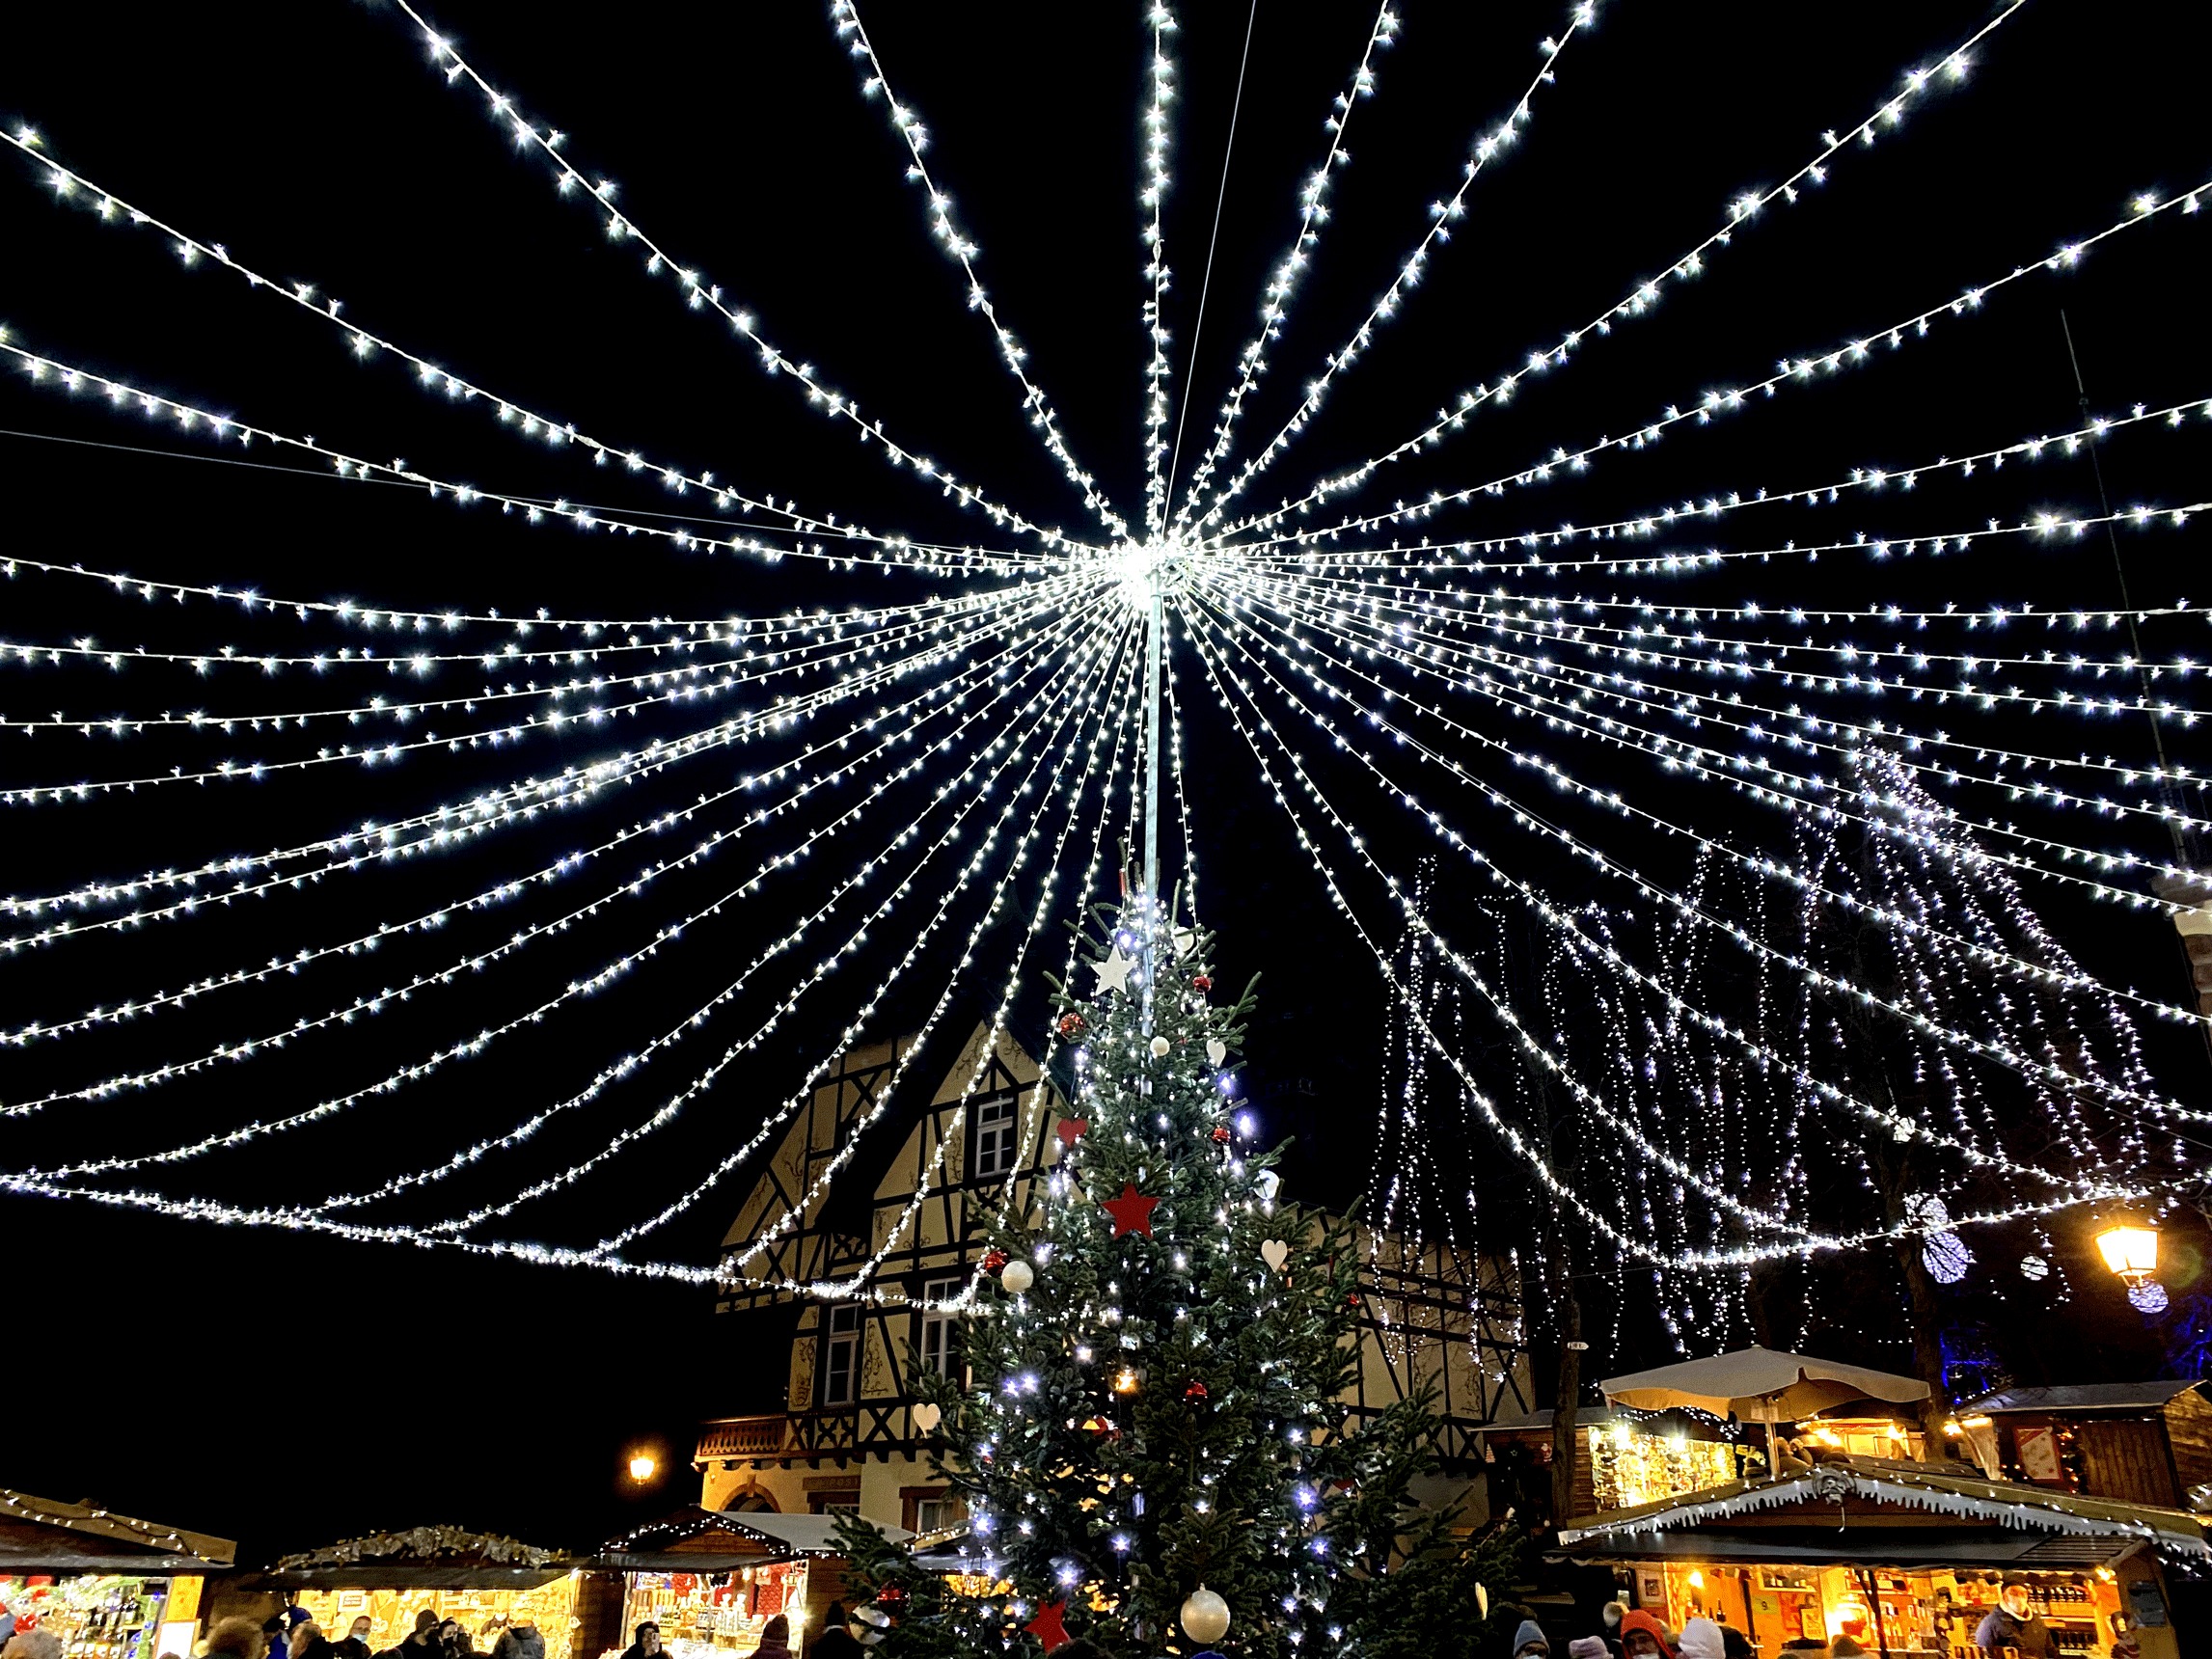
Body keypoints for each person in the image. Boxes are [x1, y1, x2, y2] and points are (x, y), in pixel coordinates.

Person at [1974, 1577, 2057, 1658]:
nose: (2019, 1597)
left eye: (2023, 1593)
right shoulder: (1989, 1624)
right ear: (2004, 1596)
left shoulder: (2037, 1621)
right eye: (2014, 1593)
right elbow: (1984, 1654)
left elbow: (2050, 1651)